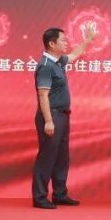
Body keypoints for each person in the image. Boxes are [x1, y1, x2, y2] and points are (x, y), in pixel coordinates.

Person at [32, 23, 96, 209]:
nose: (66, 43)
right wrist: (48, 121)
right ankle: (40, 197)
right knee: (47, 157)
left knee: (62, 157)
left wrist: (87, 40)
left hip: (63, 116)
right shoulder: (45, 66)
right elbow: (43, 95)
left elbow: (74, 55)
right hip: (51, 116)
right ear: (52, 44)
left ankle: (59, 194)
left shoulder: (58, 61)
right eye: (63, 40)